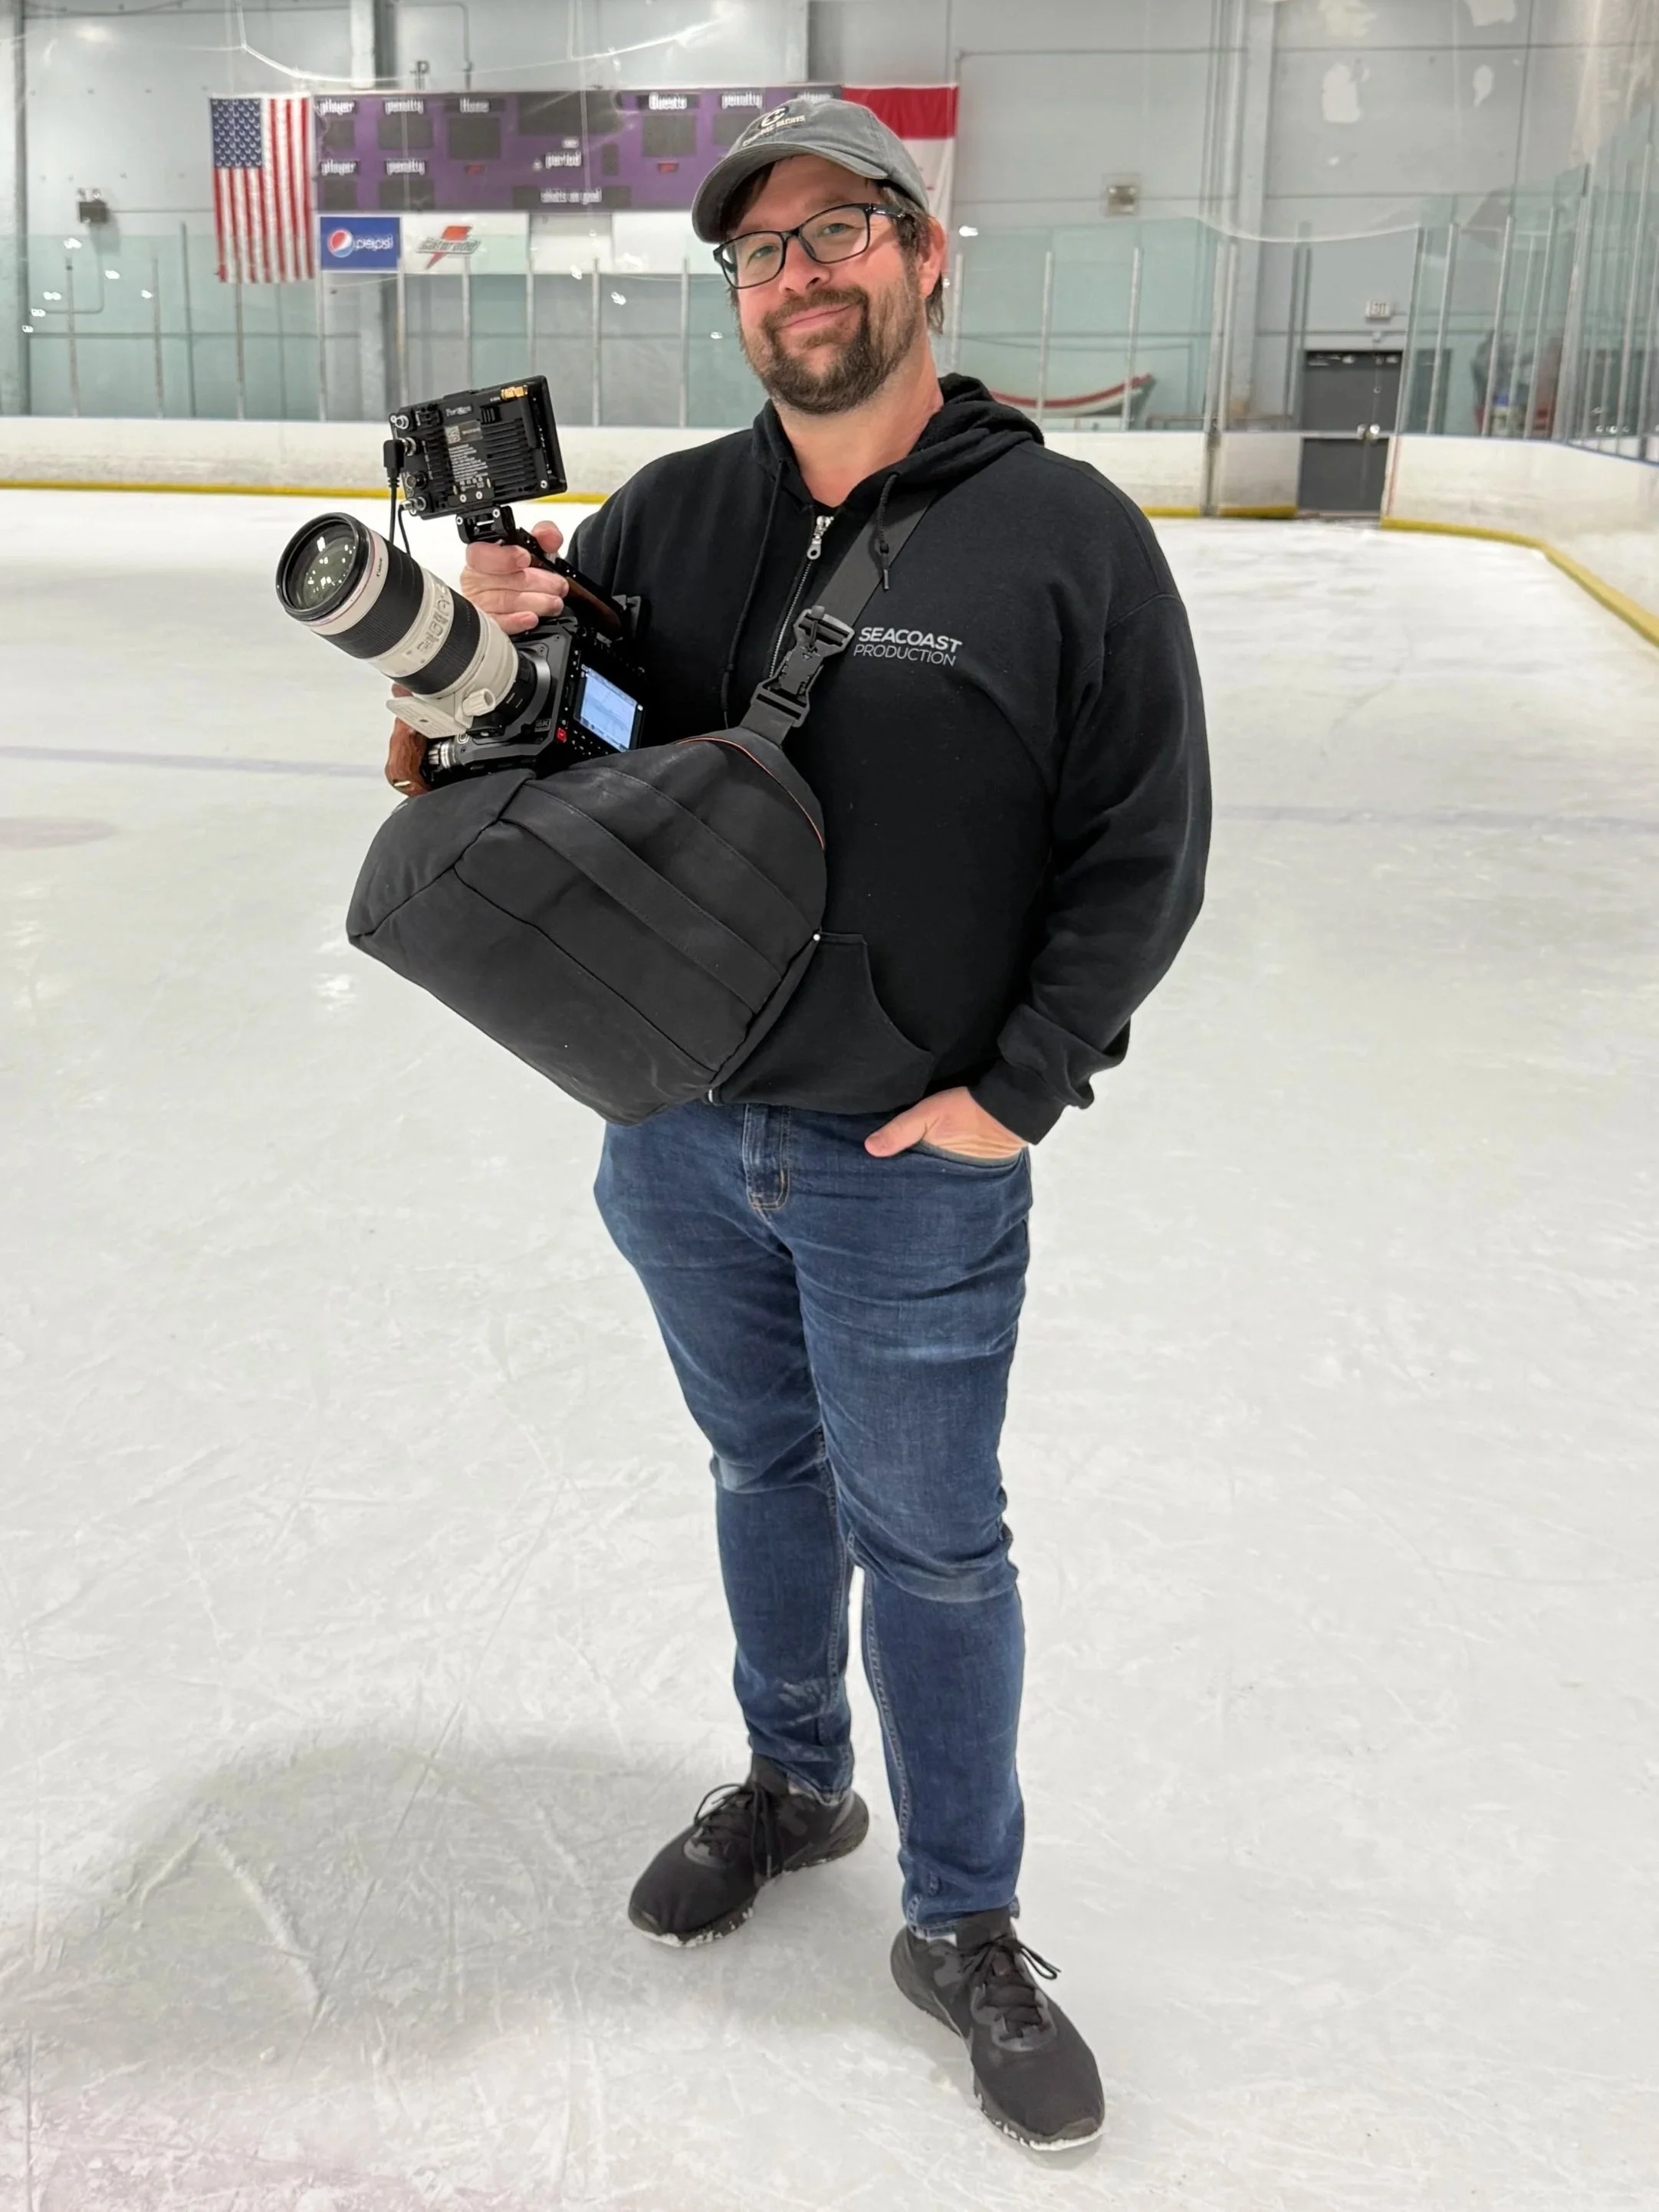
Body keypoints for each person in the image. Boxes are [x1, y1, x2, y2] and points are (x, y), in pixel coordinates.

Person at [386, 97, 1210, 2151]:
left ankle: (966, 1918)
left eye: (836, 232)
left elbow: (1143, 847)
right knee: (762, 1467)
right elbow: (595, 765)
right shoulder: (667, 516)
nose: (796, 277)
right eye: (756, 254)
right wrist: (483, 677)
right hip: (676, 1129)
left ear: (925, 257)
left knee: (931, 1540)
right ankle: (794, 1778)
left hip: (899, 1156)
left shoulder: (1066, 539)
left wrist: (1014, 1090)